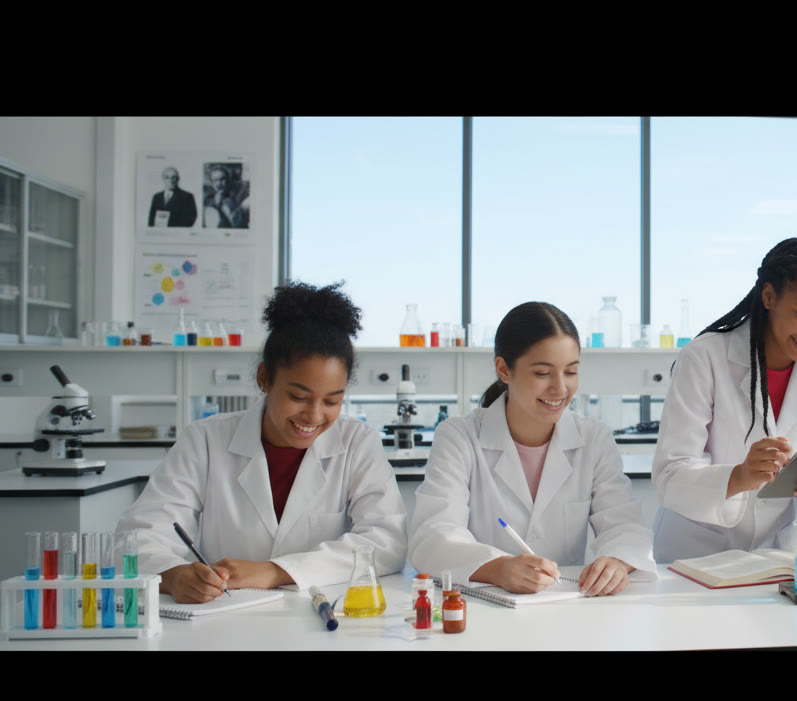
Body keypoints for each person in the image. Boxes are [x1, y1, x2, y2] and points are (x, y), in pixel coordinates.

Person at [116, 282, 407, 603]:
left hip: (322, 614)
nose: (313, 415)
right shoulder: (205, 440)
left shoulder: (356, 441)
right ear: (264, 378)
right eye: (298, 396)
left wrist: (275, 571)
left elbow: (386, 542)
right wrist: (173, 576)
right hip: (224, 616)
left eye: (332, 401)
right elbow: (136, 538)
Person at [409, 302, 654, 596]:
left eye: (571, 372)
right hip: (483, 608)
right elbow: (433, 536)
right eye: (542, 373)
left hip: (563, 605)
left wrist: (617, 560)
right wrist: (498, 568)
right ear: (504, 369)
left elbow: (624, 522)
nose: (561, 388)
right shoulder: (459, 437)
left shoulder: (593, 439)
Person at [653, 237, 797, 563]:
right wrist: (740, 476)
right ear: (769, 296)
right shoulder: (705, 357)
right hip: (696, 554)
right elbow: (670, 477)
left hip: (778, 555)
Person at [203, 164, 248, 229]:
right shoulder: (208, 198)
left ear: (228, 180)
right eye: (215, 180)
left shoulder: (238, 194)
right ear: (211, 183)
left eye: (222, 179)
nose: (219, 183)